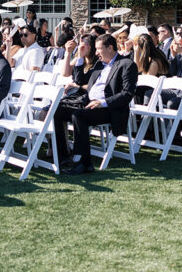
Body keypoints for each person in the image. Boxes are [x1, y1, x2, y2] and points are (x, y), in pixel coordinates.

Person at [57, 34, 138, 175]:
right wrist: (80, 57)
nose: (96, 53)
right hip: (88, 104)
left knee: (78, 116)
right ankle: (64, 156)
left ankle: (84, 163)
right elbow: (80, 81)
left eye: (99, 49)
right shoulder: (99, 64)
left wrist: (103, 103)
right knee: (57, 111)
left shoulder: (127, 65)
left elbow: (127, 94)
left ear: (110, 48)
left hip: (111, 109)